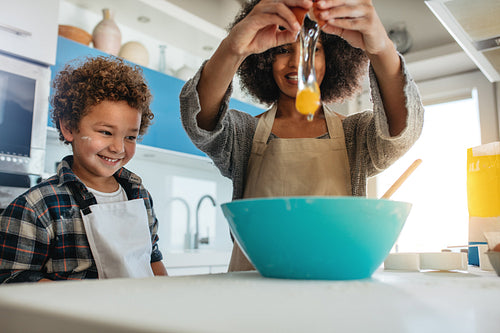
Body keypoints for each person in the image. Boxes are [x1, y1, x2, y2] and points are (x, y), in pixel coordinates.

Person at [180, 0, 424, 271]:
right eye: (283, 49)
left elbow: (402, 132)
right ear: (264, 58)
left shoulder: (354, 135)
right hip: (253, 293)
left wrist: (380, 48)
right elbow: (199, 120)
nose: (298, 61)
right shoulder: (244, 136)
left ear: (332, 59)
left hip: (332, 287)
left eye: (314, 49)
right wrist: (233, 47)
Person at [0, 56, 168, 283]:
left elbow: (152, 258)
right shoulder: (37, 206)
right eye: (106, 132)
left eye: (130, 137)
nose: (118, 147)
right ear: (69, 127)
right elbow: (12, 277)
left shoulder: (139, 195)